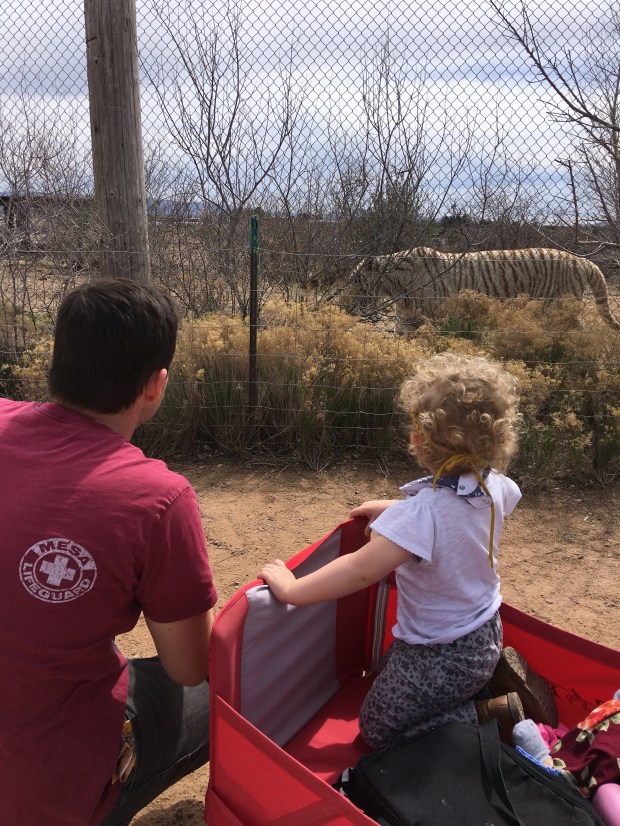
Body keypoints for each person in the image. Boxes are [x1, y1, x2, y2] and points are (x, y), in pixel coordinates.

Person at [0, 278, 217, 825]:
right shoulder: (157, 498)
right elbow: (191, 665)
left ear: (57, 361)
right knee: (227, 686)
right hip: (44, 791)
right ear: (156, 384)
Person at [260, 352, 524, 750]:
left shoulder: (424, 514)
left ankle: (486, 715)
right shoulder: (497, 486)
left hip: (441, 654)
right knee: (388, 677)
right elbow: (457, 514)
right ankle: (480, 688)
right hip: (485, 632)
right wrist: (397, 511)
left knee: (376, 729)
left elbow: (360, 570)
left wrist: (292, 590)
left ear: (420, 438)